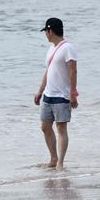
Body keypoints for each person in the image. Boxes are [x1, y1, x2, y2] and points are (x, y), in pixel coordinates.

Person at [34, 17, 77, 170]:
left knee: (61, 128)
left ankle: (60, 162)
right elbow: (49, 71)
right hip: (48, 94)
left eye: (46, 31)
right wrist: (40, 90)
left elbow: (73, 71)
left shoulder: (68, 48)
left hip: (61, 95)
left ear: (50, 31)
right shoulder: (51, 48)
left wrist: (73, 93)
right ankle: (53, 158)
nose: (45, 34)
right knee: (45, 127)